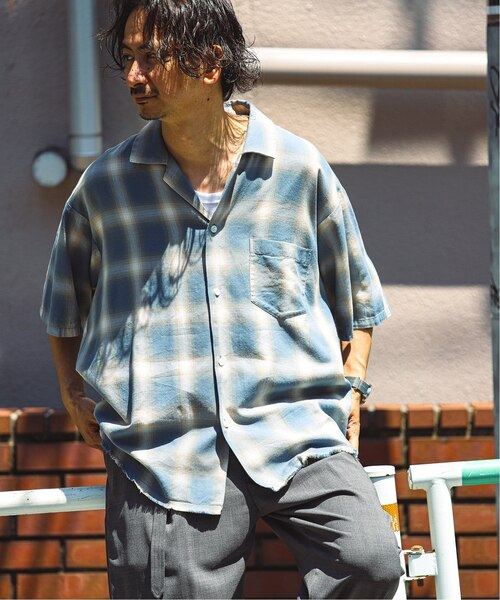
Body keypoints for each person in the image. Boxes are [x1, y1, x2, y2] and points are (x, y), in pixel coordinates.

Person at [41, 1, 403, 598]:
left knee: (371, 560)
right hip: (165, 450)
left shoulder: (298, 170)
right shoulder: (104, 188)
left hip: (295, 433)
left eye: (150, 58)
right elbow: (62, 306)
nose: (133, 75)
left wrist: (354, 384)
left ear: (210, 63)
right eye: (127, 57)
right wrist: (71, 393)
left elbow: (358, 297)